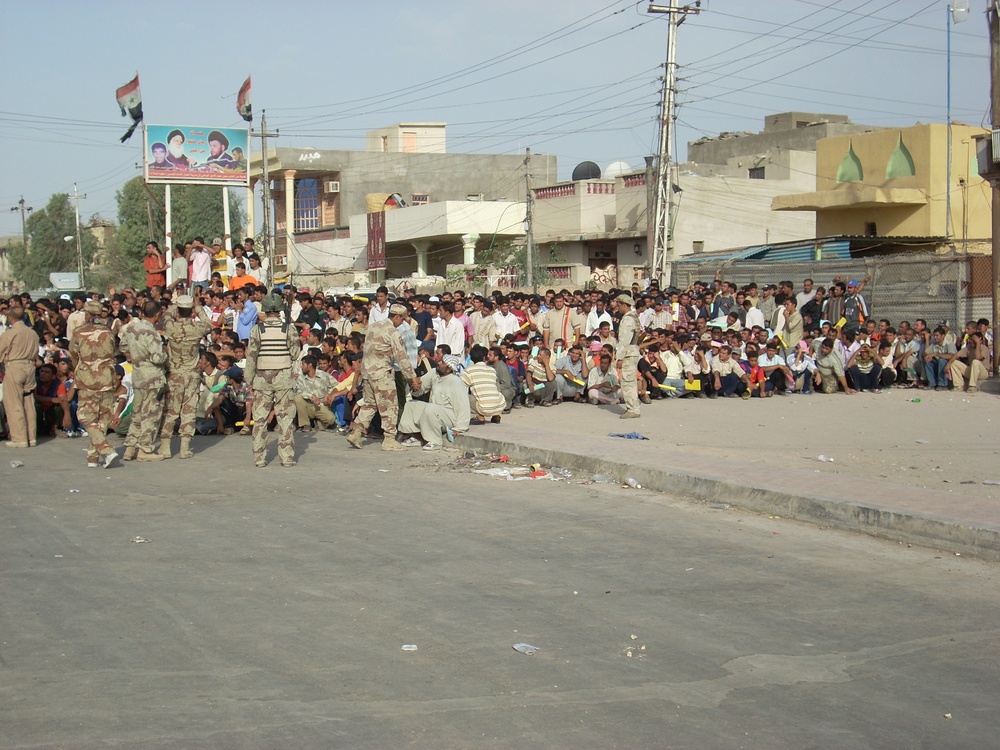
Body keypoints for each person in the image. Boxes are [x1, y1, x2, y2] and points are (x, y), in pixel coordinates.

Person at [347, 303, 421, 451]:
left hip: (367, 373)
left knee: (370, 404)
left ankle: (356, 432)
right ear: (397, 316)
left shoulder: (373, 327)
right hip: (382, 374)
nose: (403, 322)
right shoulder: (393, 332)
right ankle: (389, 439)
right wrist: (412, 377)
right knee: (390, 406)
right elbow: (402, 357)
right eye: (402, 319)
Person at [246, 293, 302, 467]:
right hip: (283, 377)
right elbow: (295, 353)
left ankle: (259, 458)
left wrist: (249, 380)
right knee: (285, 418)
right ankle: (286, 458)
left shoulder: (257, 329)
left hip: (262, 377)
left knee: (260, 418)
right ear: (279, 310)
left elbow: (251, 357)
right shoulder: (289, 329)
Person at [157, 295, 212, 459]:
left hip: (174, 374)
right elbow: (209, 323)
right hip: (192, 375)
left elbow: (165, 316)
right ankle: (184, 447)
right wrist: (197, 308)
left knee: (171, 411)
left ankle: (165, 447)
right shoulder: (197, 328)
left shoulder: (171, 327)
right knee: (189, 410)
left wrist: (176, 306)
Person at [69, 300, 119, 467]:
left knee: (85, 416)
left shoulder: (78, 332)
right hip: (106, 378)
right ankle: (93, 457)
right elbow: (114, 351)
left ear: (87, 314)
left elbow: (74, 352)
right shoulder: (109, 332)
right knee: (102, 418)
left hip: (87, 380)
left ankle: (106, 450)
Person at [119, 300, 169, 461]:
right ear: (157, 314)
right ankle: (145, 450)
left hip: (138, 376)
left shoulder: (131, 328)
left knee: (137, 413)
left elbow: (123, 347)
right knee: (151, 414)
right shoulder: (152, 333)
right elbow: (158, 357)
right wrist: (165, 353)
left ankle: (130, 447)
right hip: (153, 378)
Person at [399, 354, 472, 450]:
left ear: (449, 369)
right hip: (433, 412)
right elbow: (421, 387)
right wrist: (415, 387)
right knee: (411, 405)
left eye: (442, 362)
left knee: (431, 408)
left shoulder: (456, 382)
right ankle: (416, 436)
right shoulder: (434, 373)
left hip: (450, 417)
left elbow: (463, 407)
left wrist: (459, 428)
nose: (438, 363)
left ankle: (436, 441)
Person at [0, 306, 41, 447]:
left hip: (15, 367)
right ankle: (31, 437)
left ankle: (19, 438)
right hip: (30, 367)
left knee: (13, 402)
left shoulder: (9, 334)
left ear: (10, 318)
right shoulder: (33, 333)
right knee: (29, 402)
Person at [613, 293, 641, 418]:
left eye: (619, 305)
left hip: (628, 352)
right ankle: (633, 407)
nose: (617, 307)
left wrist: (619, 357)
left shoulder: (628, 319)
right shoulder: (634, 317)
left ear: (624, 305)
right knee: (631, 381)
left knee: (627, 381)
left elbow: (624, 341)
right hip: (632, 351)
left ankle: (633, 409)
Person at [461, 345, 505, 423]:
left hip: (484, 408)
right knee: (494, 388)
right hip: (500, 405)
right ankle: (496, 415)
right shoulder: (492, 370)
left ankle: (480, 417)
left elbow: (461, 387)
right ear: (484, 358)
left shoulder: (468, 371)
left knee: (465, 396)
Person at [294, 354, 337, 432]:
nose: (301, 367)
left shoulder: (324, 375)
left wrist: (329, 394)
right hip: (308, 406)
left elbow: (337, 386)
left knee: (331, 419)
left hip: (321, 406)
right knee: (298, 397)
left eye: (303, 364)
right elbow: (300, 391)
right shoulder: (301, 378)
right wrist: (311, 396)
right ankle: (305, 424)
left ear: (310, 365)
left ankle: (319, 423)